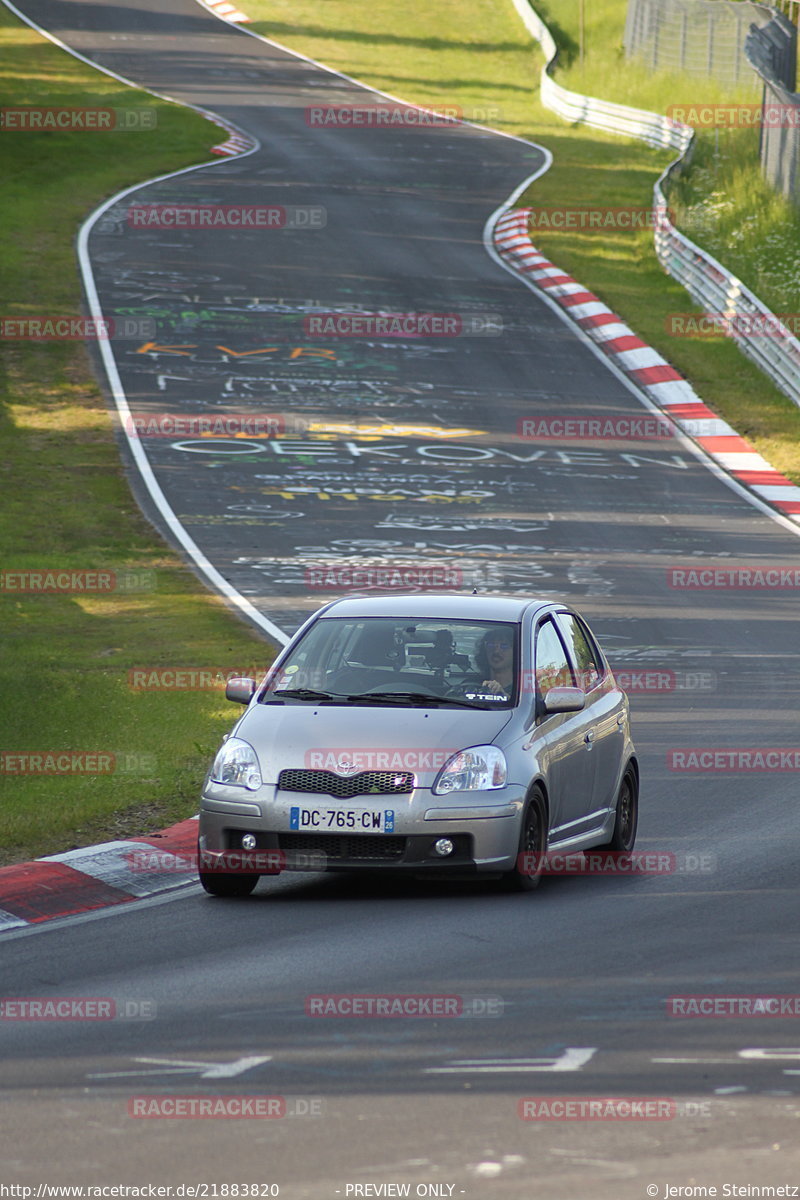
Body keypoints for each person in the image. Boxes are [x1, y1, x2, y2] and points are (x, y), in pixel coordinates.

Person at [474, 629, 515, 696]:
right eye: (491, 645)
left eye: (504, 645)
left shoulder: (523, 690)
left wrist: (503, 697)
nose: (496, 651)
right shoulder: (472, 684)